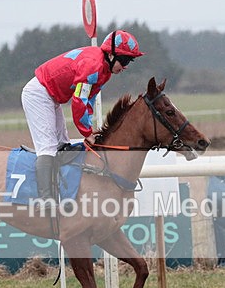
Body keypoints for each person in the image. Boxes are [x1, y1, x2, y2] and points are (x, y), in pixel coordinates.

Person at [21, 30, 144, 207]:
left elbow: (89, 100)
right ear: (110, 54)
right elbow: (78, 102)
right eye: (124, 60)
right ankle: (45, 198)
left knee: (63, 144)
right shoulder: (93, 66)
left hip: (51, 96)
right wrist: (86, 132)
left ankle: (62, 189)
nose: (125, 66)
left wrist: (90, 128)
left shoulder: (105, 70)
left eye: (129, 61)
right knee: (48, 147)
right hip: (39, 94)